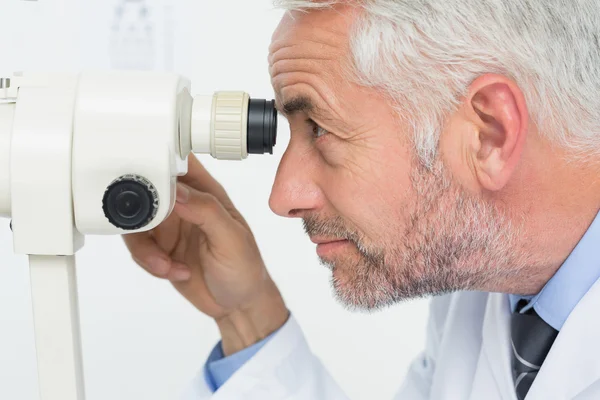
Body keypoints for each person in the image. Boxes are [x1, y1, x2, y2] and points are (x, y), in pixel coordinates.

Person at [124, 1, 600, 399]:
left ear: (489, 134)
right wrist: (246, 313)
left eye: (321, 129)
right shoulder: (484, 286)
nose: (282, 198)